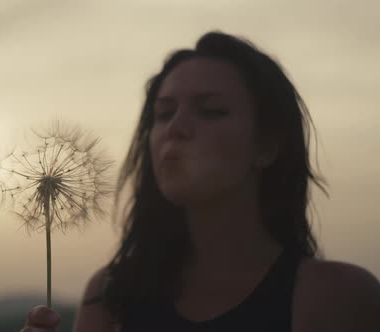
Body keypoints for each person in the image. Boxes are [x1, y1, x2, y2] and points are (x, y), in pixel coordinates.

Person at [20, 31, 380, 332]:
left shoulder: (336, 298)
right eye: (163, 114)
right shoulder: (111, 298)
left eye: (211, 111)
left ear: (267, 145)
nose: (176, 128)